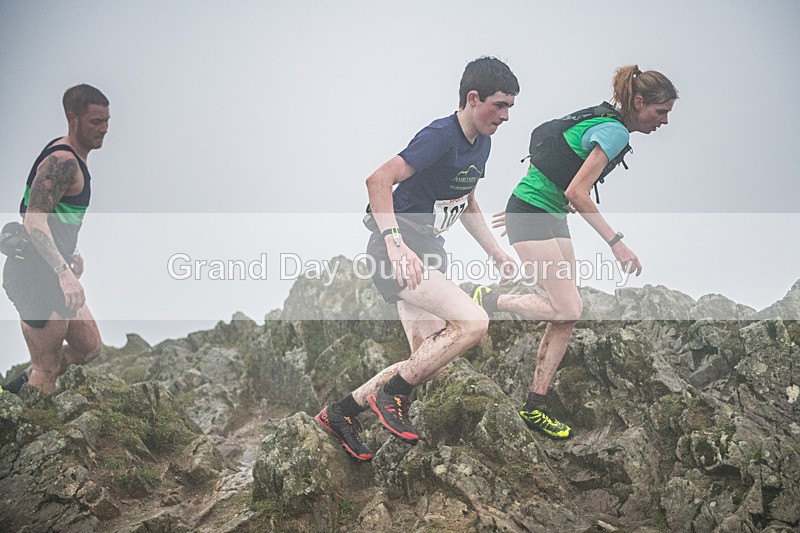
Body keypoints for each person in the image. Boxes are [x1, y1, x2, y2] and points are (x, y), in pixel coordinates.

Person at [315, 57, 520, 460]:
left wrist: (496, 252)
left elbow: (467, 202)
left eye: (511, 107)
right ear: (473, 98)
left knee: (428, 359)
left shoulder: (483, 143)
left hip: (427, 250)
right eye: (500, 105)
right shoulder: (440, 136)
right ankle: (392, 395)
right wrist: (394, 244)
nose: (506, 116)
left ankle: (341, 414)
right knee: (474, 321)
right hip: (395, 250)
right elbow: (378, 180)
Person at [473, 65, 678, 439]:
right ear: (638, 102)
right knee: (569, 306)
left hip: (545, 213)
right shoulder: (614, 131)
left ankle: (536, 404)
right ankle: (490, 299)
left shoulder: (608, 123)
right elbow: (577, 193)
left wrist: (528, 204)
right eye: (660, 112)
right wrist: (617, 243)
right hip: (535, 212)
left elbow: (561, 177)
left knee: (566, 314)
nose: (663, 121)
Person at [2, 84, 110, 394]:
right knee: (46, 368)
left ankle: (13, 392)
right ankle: (19, 429)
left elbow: (56, 217)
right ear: (72, 118)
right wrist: (63, 272)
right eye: (95, 122)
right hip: (35, 273)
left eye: (106, 121)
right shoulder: (63, 161)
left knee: (88, 348)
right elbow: (34, 219)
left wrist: (70, 251)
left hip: (52, 267)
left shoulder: (74, 158)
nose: (103, 129)